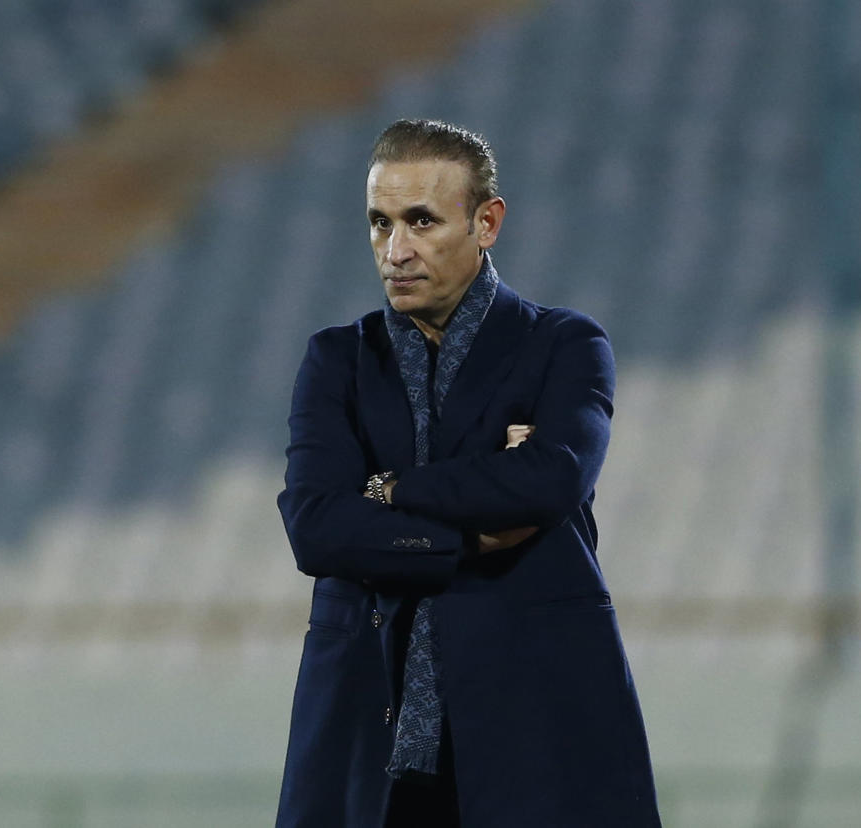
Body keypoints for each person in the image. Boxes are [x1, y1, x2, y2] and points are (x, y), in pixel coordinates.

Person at [275, 119, 661, 827]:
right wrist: (469, 536)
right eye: (379, 223)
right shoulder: (337, 360)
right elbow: (316, 530)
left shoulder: (564, 344)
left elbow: (549, 480)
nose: (395, 251)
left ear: (487, 222)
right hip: (366, 732)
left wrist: (389, 489)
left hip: (539, 728)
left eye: (421, 221)